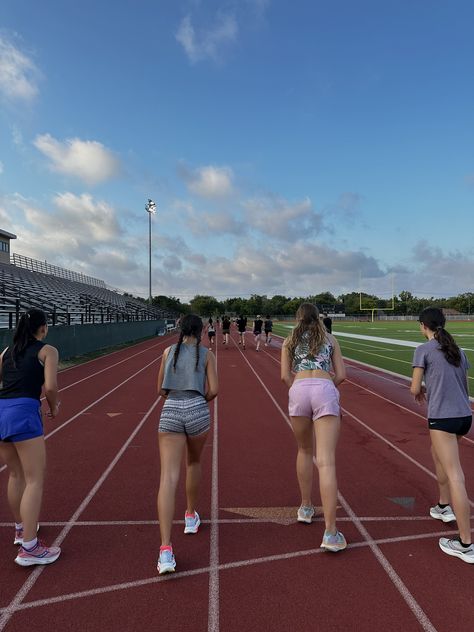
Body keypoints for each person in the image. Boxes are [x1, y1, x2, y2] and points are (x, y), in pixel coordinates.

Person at [281, 302, 346, 552]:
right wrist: (326, 388)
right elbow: (341, 374)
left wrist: (300, 389)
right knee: (326, 461)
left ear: (298, 318)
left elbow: (285, 376)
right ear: (318, 318)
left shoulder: (289, 340)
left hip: (298, 389)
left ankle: (306, 507)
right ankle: (330, 532)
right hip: (324, 388)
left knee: (304, 451)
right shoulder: (330, 339)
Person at [156, 314, 218, 574]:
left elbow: (160, 389)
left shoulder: (168, 351)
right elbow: (214, 390)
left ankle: (166, 550)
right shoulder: (206, 354)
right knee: (194, 461)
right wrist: (198, 400)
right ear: (202, 330)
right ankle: (190, 516)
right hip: (197, 408)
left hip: (170, 409)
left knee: (167, 478)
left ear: (181, 329)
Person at [410, 307, 473, 564]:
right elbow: (462, 384)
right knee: (437, 455)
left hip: (443, 418)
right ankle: (444, 505)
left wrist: (420, 390)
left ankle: (466, 543)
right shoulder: (458, 350)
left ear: (424, 325)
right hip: (463, 416)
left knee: (454, 472)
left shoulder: (423, 350)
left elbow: (414, 387)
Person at [0, 308, 61, 566]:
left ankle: (20, 529)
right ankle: (30, 547)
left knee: (15, 475)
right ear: (43, 328)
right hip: (24, 412)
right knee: (35, 479)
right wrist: (54, 406)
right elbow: (50, 386)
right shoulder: (47, 351)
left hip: (2, 410)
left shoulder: (5, 352)